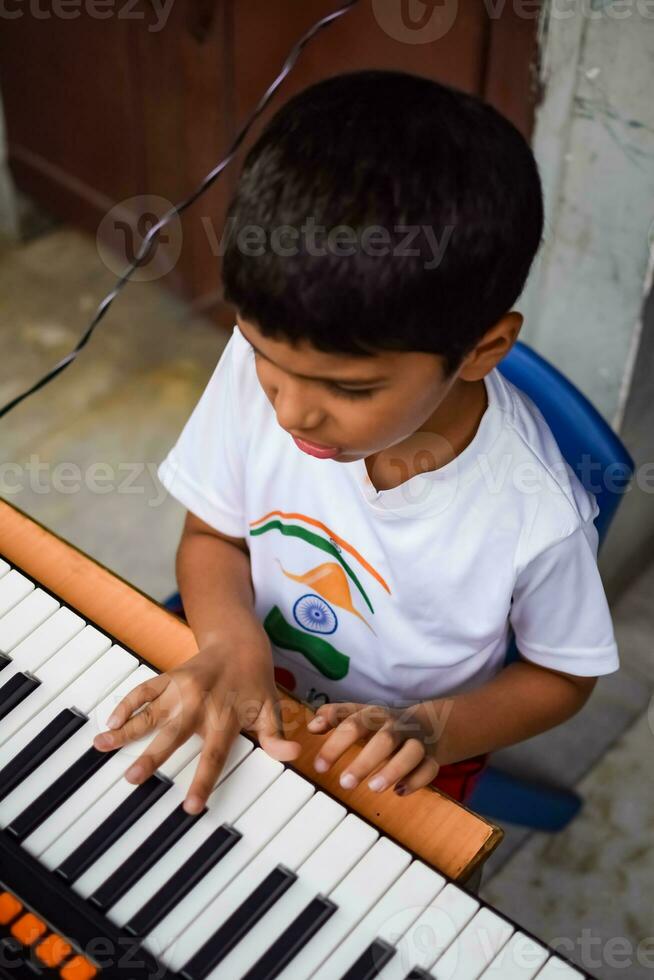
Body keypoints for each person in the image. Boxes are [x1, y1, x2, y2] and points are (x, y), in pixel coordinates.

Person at [93, 70, 619, 813]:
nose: (292, 414)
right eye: (265, 359)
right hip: (246, 670)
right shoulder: (260, 366)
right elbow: (213, 535)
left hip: (402, 751)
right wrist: (230, 642)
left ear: (481, 349)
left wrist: (434, 730)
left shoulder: (537, 514)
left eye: (349, 389)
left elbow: (563, 675)